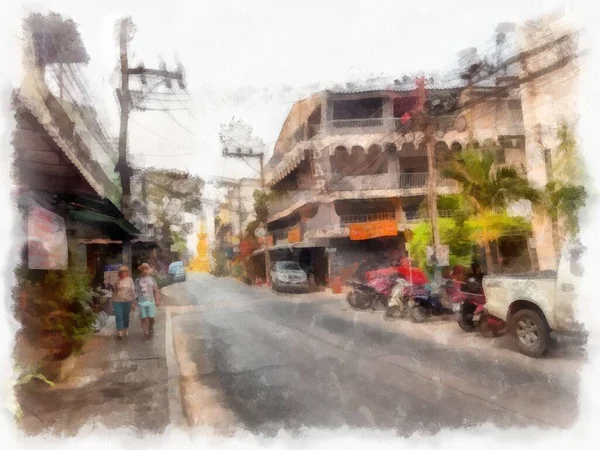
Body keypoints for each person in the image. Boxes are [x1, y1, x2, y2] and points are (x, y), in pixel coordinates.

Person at [135, 263, 161, 340]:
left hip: (150, 301)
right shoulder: (138, 280)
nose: (145, 271)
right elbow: (135, 292)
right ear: (141, 270)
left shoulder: (152, 279)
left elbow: (156, 290)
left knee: (151, 317)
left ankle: (151, 327)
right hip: (141, 302)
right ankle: (145, 333)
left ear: (148, 270)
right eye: (143, 269)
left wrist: (157, 300)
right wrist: (134, 302)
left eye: (146, 269)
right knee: (143, 318)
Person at [112, 266, 135, 339]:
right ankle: (120, 332)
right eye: (122, 272)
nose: (123, 273)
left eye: (125, 271)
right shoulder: (116, 281)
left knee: (126, 316)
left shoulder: (130, 280)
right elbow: (114, 290)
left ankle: (125, 329)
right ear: (120, 273)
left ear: (127, 272)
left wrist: (134, 302)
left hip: (127, 300)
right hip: (117, 300)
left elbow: (132, 291)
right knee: (119, 316)